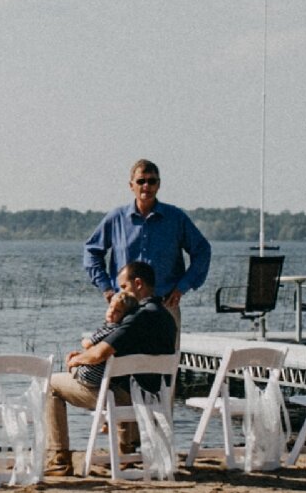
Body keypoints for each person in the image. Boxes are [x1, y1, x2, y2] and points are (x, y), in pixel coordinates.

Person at [44, 259, 180, 468]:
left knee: (51, 383)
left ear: (138, 283)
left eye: (124, 286)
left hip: (126, 396)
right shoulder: (167, 317)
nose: (121, 291)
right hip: (154, 396)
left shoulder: (138, 317)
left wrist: (76, 359)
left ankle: (59, 459)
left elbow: (99, 353)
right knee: (120, 379)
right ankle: (124, 453)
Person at [83, 159, 213, 318]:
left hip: (165, 305)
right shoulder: (116, 218)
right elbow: (91, 251)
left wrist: (182, 287)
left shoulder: (176, 218)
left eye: (152, 181)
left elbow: (202, 250)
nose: (146, 186)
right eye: (141, 181)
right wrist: (106, 287)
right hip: (124, 307)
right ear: (131, 185)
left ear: (158, 185)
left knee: (165, 345)